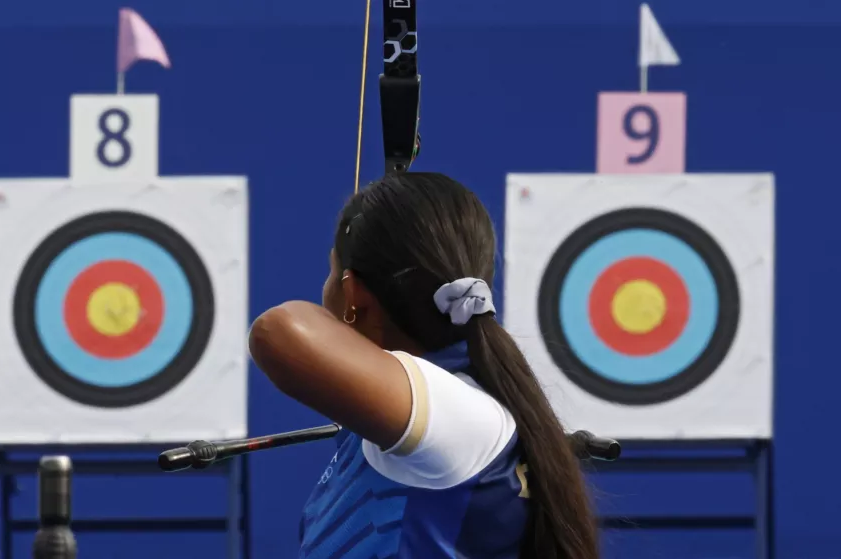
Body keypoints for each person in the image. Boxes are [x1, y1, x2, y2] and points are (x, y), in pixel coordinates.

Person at [248, 172, 598, 559]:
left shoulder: (459, 415)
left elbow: (278, 330)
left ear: (352, 295)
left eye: (332, 272)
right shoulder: (431, 413)